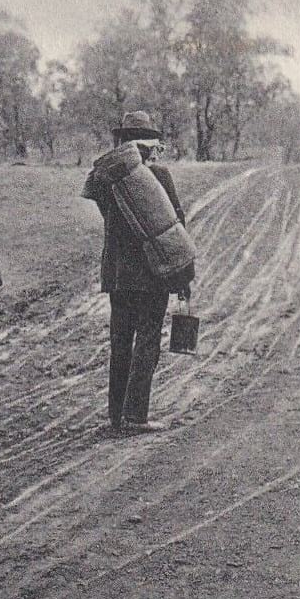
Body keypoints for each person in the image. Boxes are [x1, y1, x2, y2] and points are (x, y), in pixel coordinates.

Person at [82, 111, 189, 432]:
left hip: (116, 274)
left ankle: (117, 414)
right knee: (147, 339)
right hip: (151, 273)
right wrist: (183, 276)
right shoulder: (159, 175)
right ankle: (136, 415)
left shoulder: (103, 179)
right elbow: (174, 226)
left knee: (120, 341)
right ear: (148, 145)